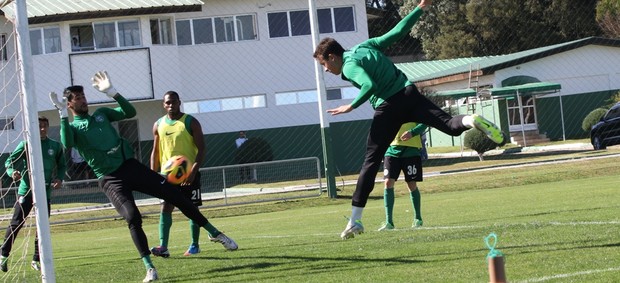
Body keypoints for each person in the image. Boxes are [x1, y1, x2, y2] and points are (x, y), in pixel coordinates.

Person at [313, 0, 505, 240]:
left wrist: (351, 105)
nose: (326, 70)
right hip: (409, 92)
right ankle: (470, 119)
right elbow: (398, 31)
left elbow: (369, 84)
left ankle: (355, 221)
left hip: (389, 105)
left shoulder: (349, 66)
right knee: (450, 125)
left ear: (331, 57)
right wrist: (421, 7)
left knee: (370, 162)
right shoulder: (365, 46)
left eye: (324, 64)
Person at [49, 71, 237, 283]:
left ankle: (215, 233)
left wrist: (113, 92)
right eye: (78, 98)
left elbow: (129, 112)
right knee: (132, 217)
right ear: (70, 104)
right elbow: (67, 143)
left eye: (83, 96)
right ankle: (149, 267)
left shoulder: (101, 114)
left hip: (130, 166)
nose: (83, 100)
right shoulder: (73, 127)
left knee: (174, 194)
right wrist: (62, 115)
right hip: (110, 178)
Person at [1, 116, 66, 272]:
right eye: (39, 126)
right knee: (17, 223)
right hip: (27, 191)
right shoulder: (26, 145)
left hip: (45, 193)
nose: (42, 129)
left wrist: (59, 178)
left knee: (42, 227)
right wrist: (12, 172)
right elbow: (8, 161)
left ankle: (37, 259)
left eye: (45, 126)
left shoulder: (55, 146)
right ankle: (3, 254)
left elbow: (62, 165)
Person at [149, 91, 206, 257]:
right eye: (167, 103)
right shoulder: (158, 124)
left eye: (173, 102)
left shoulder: (190, 122)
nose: (171, 105)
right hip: (168, 177)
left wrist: (194, 170)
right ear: (163, 104)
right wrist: (153, 175)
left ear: (179, 102)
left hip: (189, 175)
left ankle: (195, 245)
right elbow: (155, 152)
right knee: (165, 207)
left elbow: (202, 148)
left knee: (192, 209)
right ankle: (163, 246)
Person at [378, 122, 427, 231]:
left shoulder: (415, 106)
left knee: (411, 184)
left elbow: (425, 122)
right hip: (391, 150)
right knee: (388, 182)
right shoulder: (389, 107)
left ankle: (418, 218)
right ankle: (388, 222)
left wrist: (412, 132)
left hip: (411, 150)